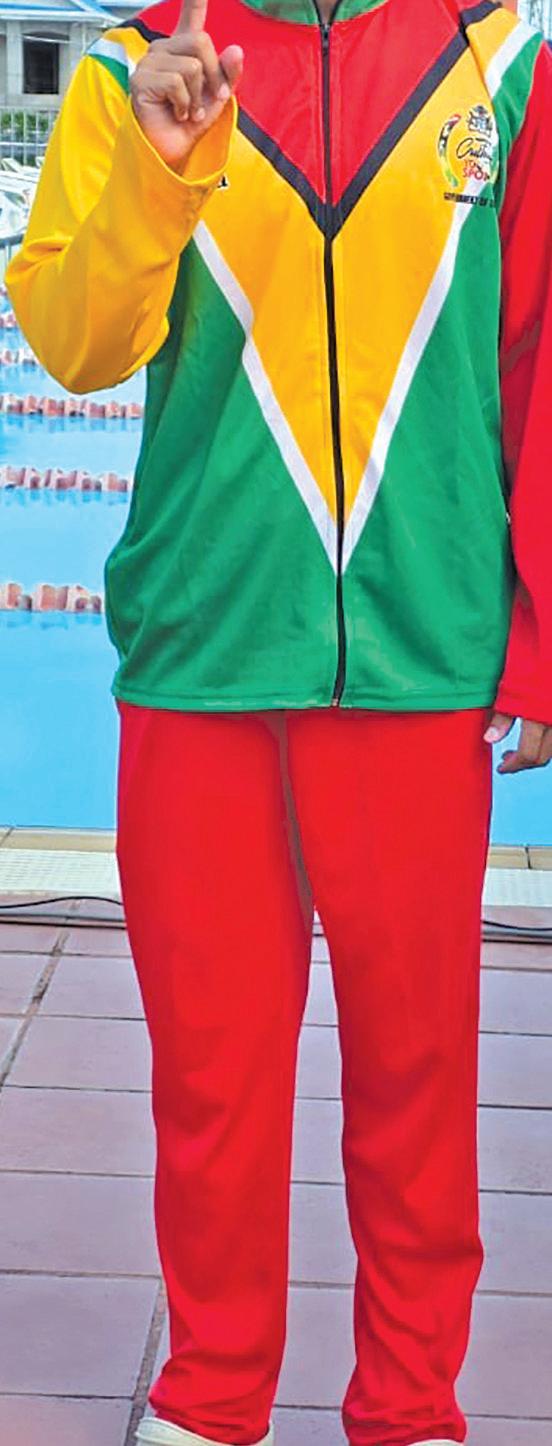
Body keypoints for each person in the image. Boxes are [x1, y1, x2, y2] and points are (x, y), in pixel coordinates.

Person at [6, 1, 552, 1443]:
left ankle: (411, 1407)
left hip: (421, 660)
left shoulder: (502, 62)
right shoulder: (130, 68)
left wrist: (542, 638)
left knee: (421, 1078)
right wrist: (159, 168)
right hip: (204, 653)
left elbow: (543, 357)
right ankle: (210, 1397)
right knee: (213, 1080)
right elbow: (74, 343)